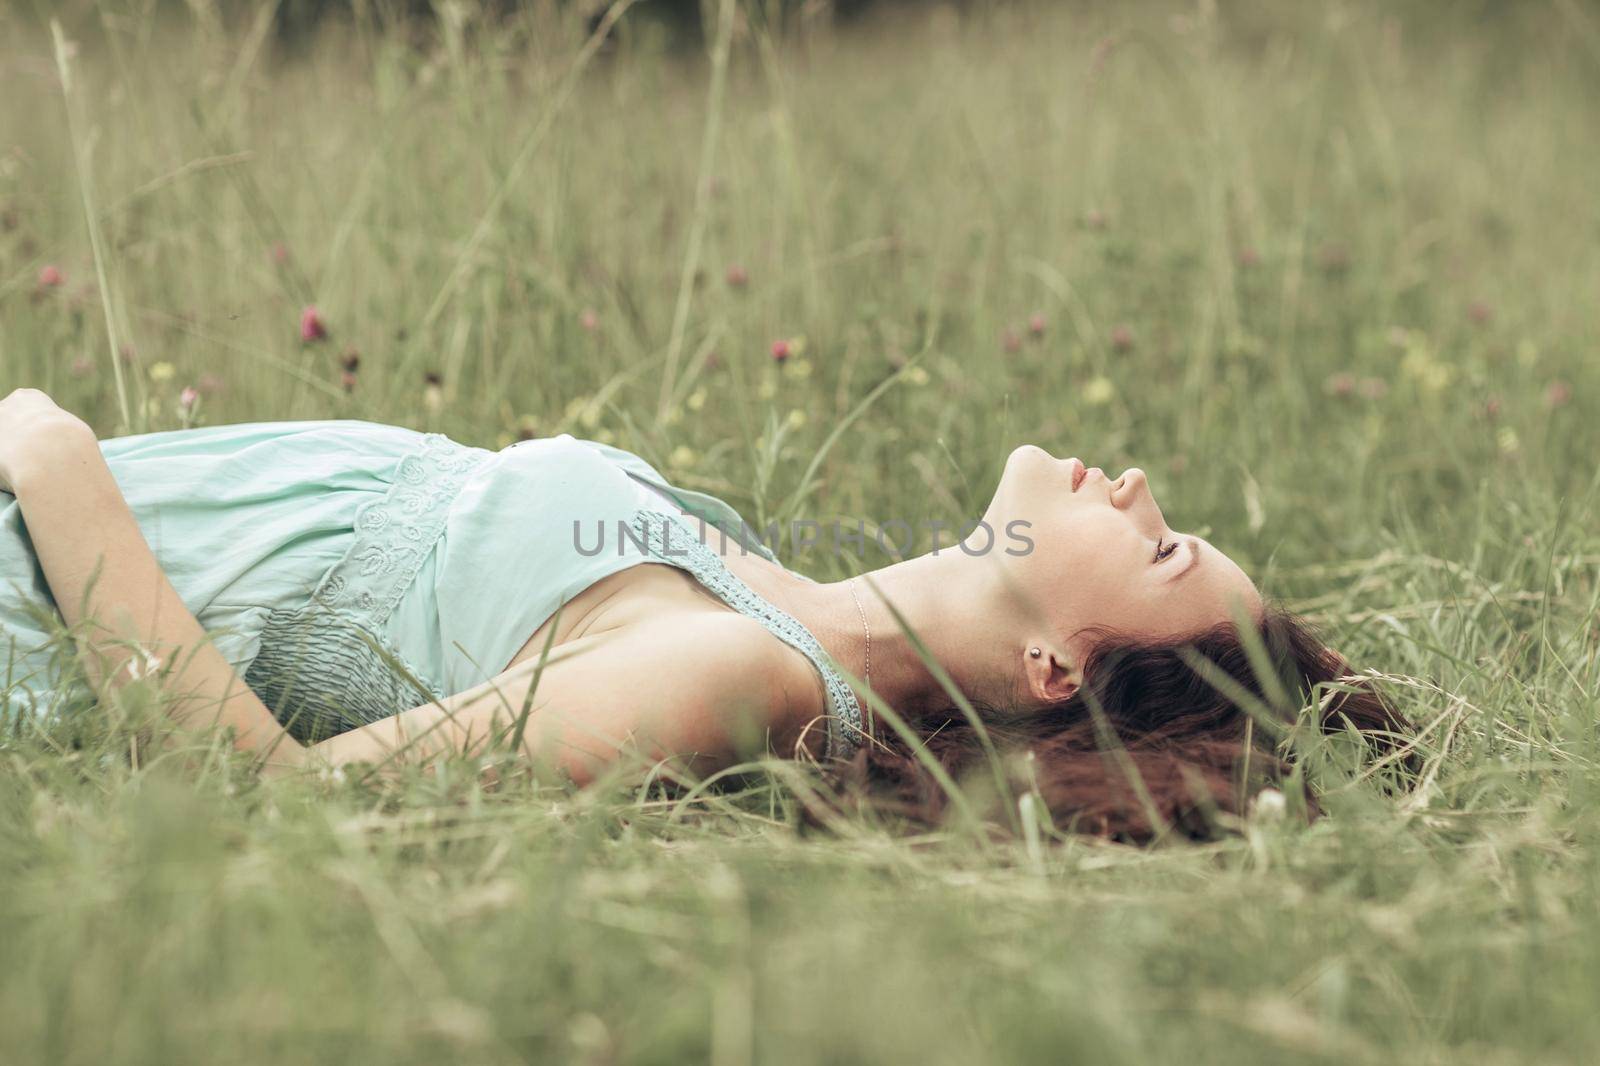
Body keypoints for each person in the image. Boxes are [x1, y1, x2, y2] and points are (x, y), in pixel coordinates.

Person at [0, 388, 1410, 839]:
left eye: (1164, 550)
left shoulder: (735, 667)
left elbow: (277, 795)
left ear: (1055, 667)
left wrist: (57, 465)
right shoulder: (775, 592)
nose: (1145, 488)